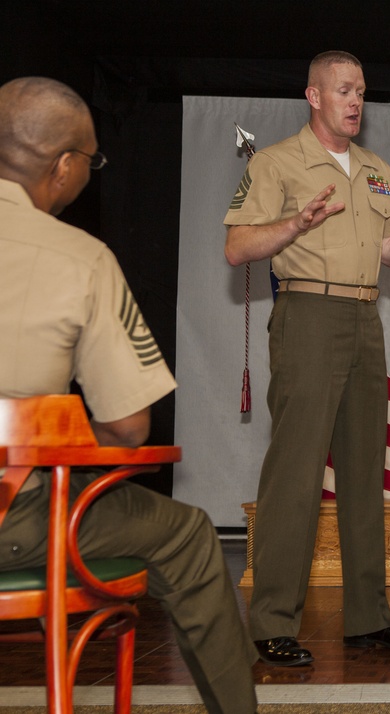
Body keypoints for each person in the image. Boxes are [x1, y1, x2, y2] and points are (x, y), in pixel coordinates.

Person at [223, 50, 390, 666]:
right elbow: (237, 246)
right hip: (308, 317)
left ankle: (368, 617)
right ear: (313, 96)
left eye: (362, 92)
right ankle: (271, 623)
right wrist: (295, 224)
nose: (355, 102)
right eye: (343, 90)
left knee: (365, 472)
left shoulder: (376, 170)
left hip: (364, 320)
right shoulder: (276, 162)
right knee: (296, 474)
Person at [0, 77, 258, 713]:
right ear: (63, 167)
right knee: (190, 535)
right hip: (16, 519)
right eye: (92, 159)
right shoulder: (80, 259)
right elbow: (129, 430)